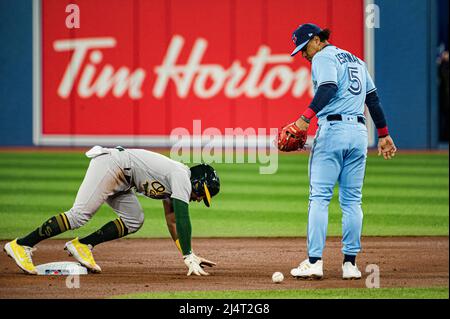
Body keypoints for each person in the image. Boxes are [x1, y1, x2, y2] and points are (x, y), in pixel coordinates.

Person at [279, 23, 397, 280]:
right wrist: (384, 134)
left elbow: (329, 87)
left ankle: (314, 262)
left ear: (317, 40)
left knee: (319, 197)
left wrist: (303, 119)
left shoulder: (322, 56)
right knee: (353, 201)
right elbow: (373, 100)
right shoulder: (357, 60)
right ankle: (350, 265)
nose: (304, 54)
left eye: (304, 47)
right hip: (358, 134)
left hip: (332, 130)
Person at [4, 146, 220, 276]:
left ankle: (82, 245)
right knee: (79, 215)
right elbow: (182, 217)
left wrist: (187, 253)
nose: (200, 199)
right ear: (199, 183)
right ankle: (22, 244)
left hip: (124, 179)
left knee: (134, 220)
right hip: (112, 164)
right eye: (204, 194)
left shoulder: (176, 182)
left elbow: (172, 220)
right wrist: (188, 255)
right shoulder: (182, 177)